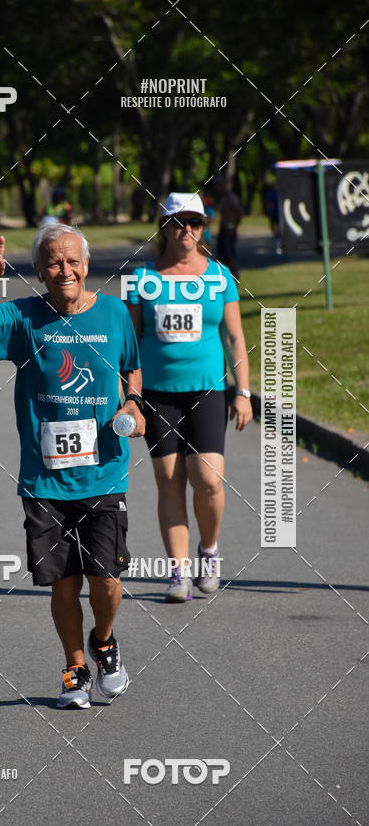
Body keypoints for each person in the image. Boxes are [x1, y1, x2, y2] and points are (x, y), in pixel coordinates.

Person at [0, 224, 145, 707]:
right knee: (63, 583)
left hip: (104, 472)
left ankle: (105, 641)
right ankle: (76, 667)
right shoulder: (23, 317)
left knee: (107, 581)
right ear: (38, 270)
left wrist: (133, 405)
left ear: (86, 265)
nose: (64, 270)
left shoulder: (115, 313)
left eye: (72, 260)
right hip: (43, 479)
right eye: (53, 262)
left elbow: (131, 367)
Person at [126, 192, 252, 602]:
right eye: (178, 222)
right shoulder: (141, 279)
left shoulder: (220, 277)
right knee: (168, 481)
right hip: (157, 395)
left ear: (204, 227)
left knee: (208, 480)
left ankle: (209, 551)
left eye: (195, 222)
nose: (187, 230)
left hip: (208, 390)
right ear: (163, 227)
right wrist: (130, 396)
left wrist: (244, 392)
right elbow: (130, 343)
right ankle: (178, 573)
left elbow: (235, 337)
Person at [215, 178, 244, 280]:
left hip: (228, 231)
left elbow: (239, 212)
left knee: (230, 258)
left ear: (224, 185)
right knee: (222, 259)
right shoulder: (224, 197)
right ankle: (226, 281)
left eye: (218, 185)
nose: (217, 188)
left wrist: (234, 227)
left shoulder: (230, 197)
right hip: (224, 230)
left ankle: (235, 282)